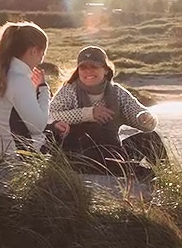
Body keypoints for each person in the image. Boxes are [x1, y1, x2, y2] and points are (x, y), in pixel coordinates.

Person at [49, 45, 166, 180]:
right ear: (78, 70)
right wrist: (89, 114)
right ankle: (136, 170)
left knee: (151, 137)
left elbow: (137, 112)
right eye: (83, 67)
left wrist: (144, 118)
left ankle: (167, 175)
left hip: (114, 149)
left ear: (105, 70)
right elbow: (51, 115)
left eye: (94, 67)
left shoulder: (117, 92)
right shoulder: (69, 91)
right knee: (139, 171)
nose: (88, 71)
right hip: (81, 154)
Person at [0, 22, 52, 163]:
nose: (40, 60)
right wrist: (44, 90)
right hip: (17, 160)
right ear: (33, 51)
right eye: (42, 53)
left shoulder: (1, 76)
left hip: (1, 155)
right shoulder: (18, 80)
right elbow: (38, 126)